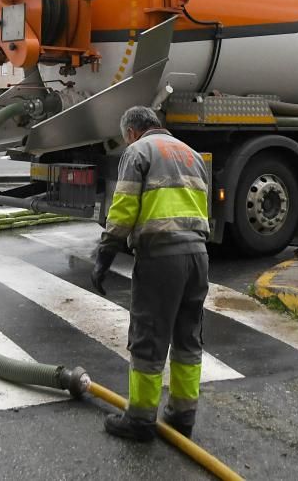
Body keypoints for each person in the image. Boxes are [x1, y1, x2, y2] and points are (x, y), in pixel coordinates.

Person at [91, 106, 210, 442]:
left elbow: (125, 205)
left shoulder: (138, 151)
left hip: (161, 258)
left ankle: (141, 420)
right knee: (188, 337)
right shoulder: (191, 155)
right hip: (198, 256)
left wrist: (105, 253)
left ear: (131, 132)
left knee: (149, 336)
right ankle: (183, 416)